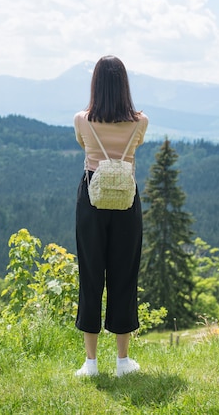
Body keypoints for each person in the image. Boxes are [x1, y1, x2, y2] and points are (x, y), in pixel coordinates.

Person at [73, 55, 148, 377]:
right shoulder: (141, 122)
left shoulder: (82, 119)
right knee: (124, 276)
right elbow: (134, 149)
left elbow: (83, 146)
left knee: (91, 276)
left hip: (92, 197)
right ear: (124, 85)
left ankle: (90, 364)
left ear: (96, 84)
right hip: (126, 201)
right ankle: (122, 362)